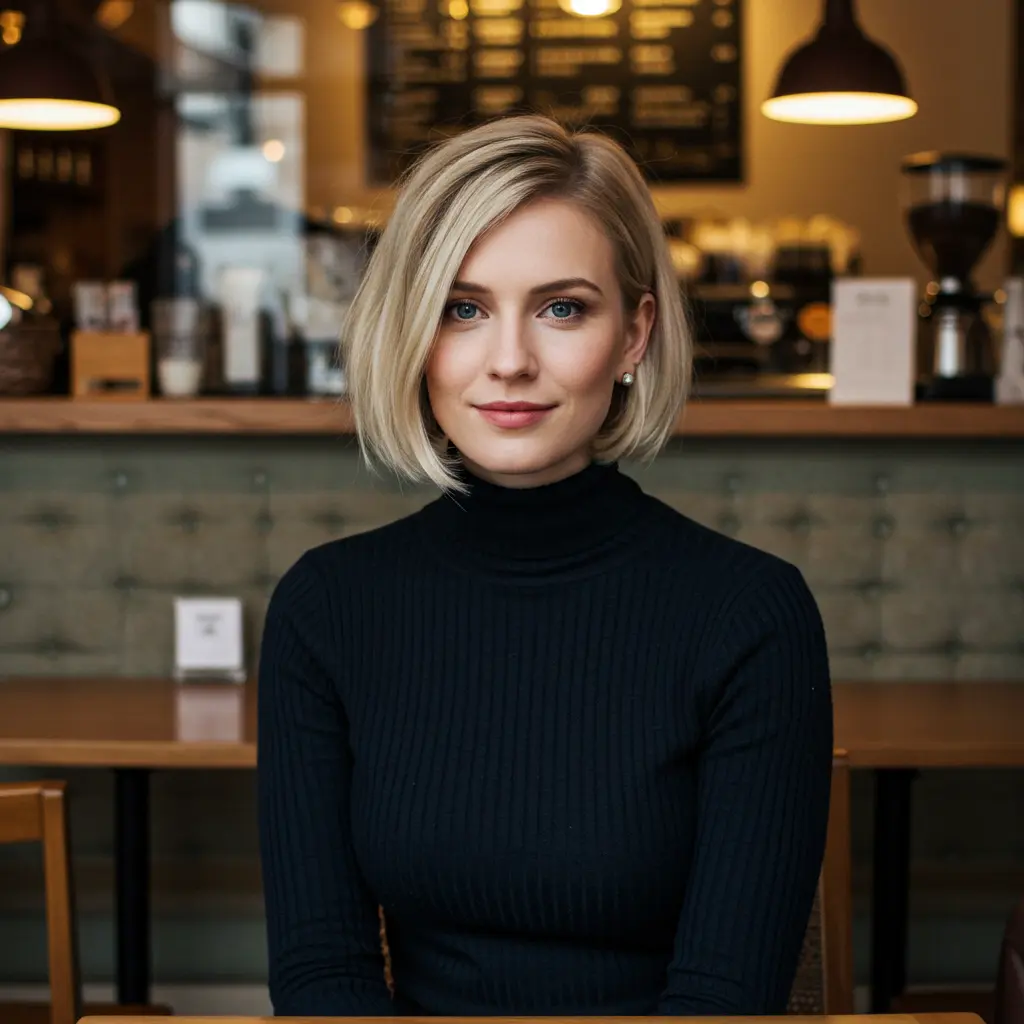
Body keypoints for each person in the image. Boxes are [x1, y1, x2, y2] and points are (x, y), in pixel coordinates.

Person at [257, 114, 833, 1017]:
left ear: (634, 334)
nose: (511, 362)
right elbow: (322, 976)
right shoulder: (327, 607)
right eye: (463, 308)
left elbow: (725, 1000)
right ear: (413, 333)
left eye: (562, 308)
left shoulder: (752, 614)